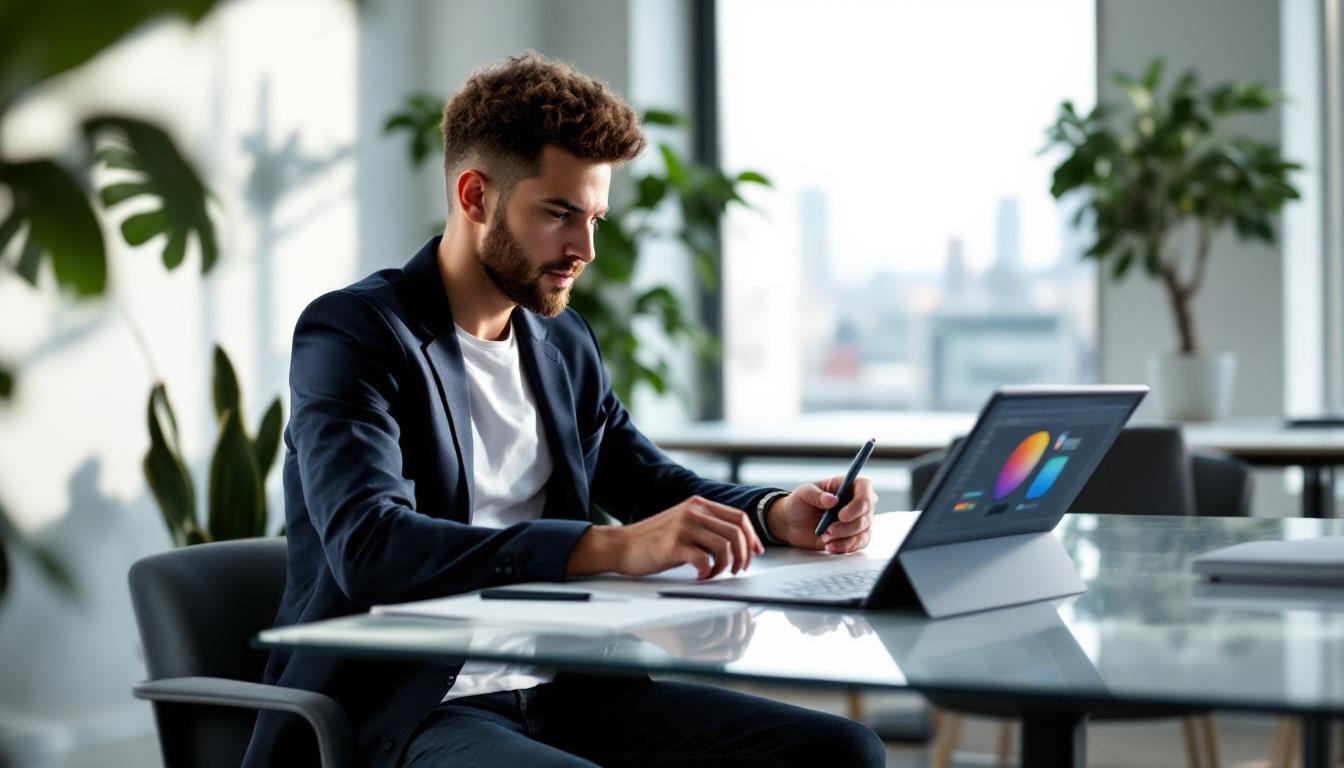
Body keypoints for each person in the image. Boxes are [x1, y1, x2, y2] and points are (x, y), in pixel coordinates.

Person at [243, 51, 884, 768]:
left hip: (570, 694)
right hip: (413, 709)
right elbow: (371, 547)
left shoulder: (561, 341)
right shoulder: (357, 334)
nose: (585, 248)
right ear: (475, 195)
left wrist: (772, 512)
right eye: (559, 214)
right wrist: (609, 546)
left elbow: (652, 484)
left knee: (841, 751)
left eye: (596, 218)